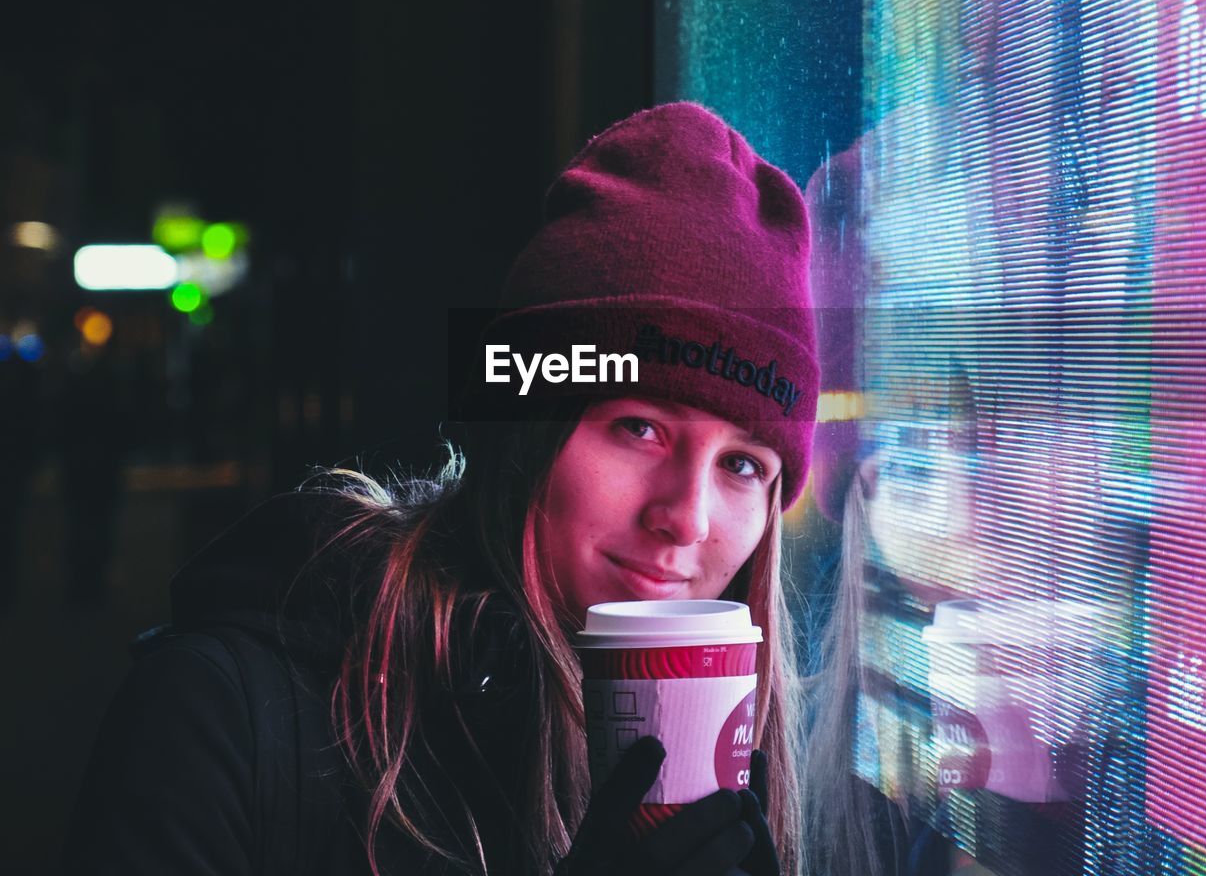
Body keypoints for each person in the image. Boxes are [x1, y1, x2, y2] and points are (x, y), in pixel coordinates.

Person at [64, 102, 819, 876]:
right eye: (638, 427)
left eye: (743, 465)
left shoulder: (800, 787)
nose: (687, 519)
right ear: (521, 429)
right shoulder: (219, 714)